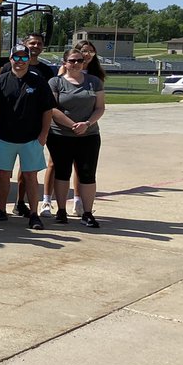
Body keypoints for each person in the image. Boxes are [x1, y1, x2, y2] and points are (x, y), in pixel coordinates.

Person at [0, 43, 56, 229]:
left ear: (29, 60)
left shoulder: (38, 81)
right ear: (11, 59)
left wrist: (43, 135)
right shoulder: (0, 81)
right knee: (3, 175)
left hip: (31, 139)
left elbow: (47, 110)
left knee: (31, 176)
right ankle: (0, 209)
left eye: (24, 57)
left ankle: (33, 214)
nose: (20, 61)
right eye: (17, 57)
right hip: (4, 138)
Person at [47, 48, 106, 227]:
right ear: (64, 63)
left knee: (87, 174)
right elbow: (53, 109)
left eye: (79, 60)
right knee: (63, 172)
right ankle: (61, 210)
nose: (76, 64)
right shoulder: (56, 82)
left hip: (89, 135)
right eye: (72, 61)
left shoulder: (93, 82)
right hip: (61, 134)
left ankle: (87, 213)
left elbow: (100, 107)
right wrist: (72, 124)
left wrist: (86, 124)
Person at [14, 31, 56, 217]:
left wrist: (44, 131)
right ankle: (18, 201)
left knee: (30, 168)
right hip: (14, 125)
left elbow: (48, 103)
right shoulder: (12, 67)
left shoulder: (46, 71)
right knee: (11, 168)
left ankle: (23, 203)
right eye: (32, 43)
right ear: (24, 44)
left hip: (36, 125)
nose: (35, 46)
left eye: (39, 44)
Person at [70, 39, 107, 217]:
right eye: (84, 51)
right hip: (66, 126)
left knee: (82, 167)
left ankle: (79, 200)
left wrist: (88, 123)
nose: (87, 54)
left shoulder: (96, 76)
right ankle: (48, 200)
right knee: (56, 165)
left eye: (91, 51)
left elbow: (100, 105)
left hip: (88, 127)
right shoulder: (67, 69)